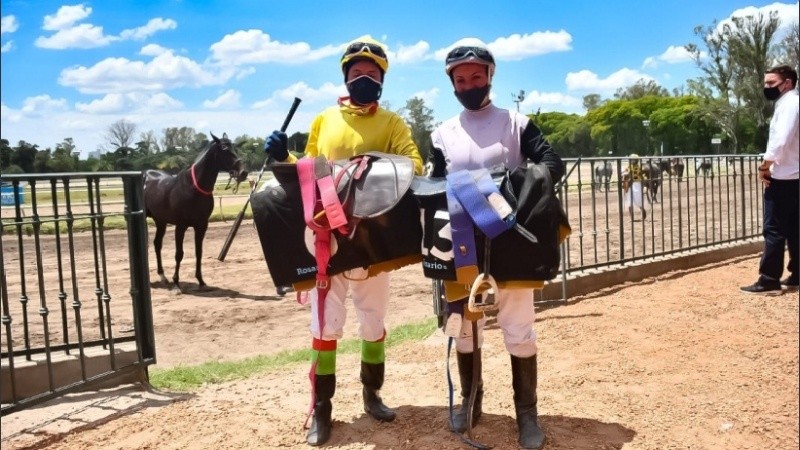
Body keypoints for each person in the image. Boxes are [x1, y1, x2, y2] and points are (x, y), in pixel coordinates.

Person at [263, 35, 424, 446]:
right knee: (325, 324)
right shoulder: (323, 120)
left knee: (373, 321)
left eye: (372, 74)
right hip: (328, 237)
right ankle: (322, 409)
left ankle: (373, 393)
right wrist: (284, 156)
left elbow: (414, 164)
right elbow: (308, 169)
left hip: (374, 241)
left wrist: (368, 169)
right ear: (345, 77)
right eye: (357, 73)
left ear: (382, 80)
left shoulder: (393, 123)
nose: (364, 78)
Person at [427, 38, 564, 450]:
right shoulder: (441, 134)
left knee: (519, 329)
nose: (469, 84)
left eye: (476, 76)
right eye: (460, 79)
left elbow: (551, 165)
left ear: (490, 76)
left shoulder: (516, 124)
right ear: (452, 83)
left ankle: (527, 415)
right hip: (462, 246)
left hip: (511, 240)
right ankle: (470, 401)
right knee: (466, 330)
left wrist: (508, 189)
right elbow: (434, 183)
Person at [740, 65, 799, 295]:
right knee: (795, 229)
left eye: (771, 83)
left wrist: (765, 165)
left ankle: (769, 279)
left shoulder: (788, 105)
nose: (767, 87)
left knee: (773, 229)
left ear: (787, 83)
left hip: (783, 176)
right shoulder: (793, 103)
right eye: (765, 83)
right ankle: (797, 275)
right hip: (795, 176)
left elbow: (781, 140)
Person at [621, 154, 647, 220]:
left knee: (638, 200)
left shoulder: (639, 167)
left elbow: (639, 175)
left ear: (636, 160)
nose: (632, 161)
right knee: (629, 201)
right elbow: (623, 173)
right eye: (631, 159)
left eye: (633, 159)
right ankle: (631, 217)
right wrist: (624, 174)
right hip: (629, 185)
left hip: (636, 183)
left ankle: (643, 211)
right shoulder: (628, 166)